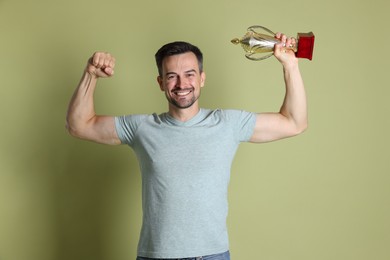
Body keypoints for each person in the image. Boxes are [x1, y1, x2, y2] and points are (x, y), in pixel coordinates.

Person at [66, 32, 307, 260]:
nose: (182, 84)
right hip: (156, 255)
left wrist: (290, 65)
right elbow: (79, 125)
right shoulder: (142, 128)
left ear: (202, 78)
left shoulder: (228, 123)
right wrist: (90, 75)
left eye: (190, 74)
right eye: (172, 76)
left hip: (212, 255)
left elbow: (294, 122)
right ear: (161, 82)